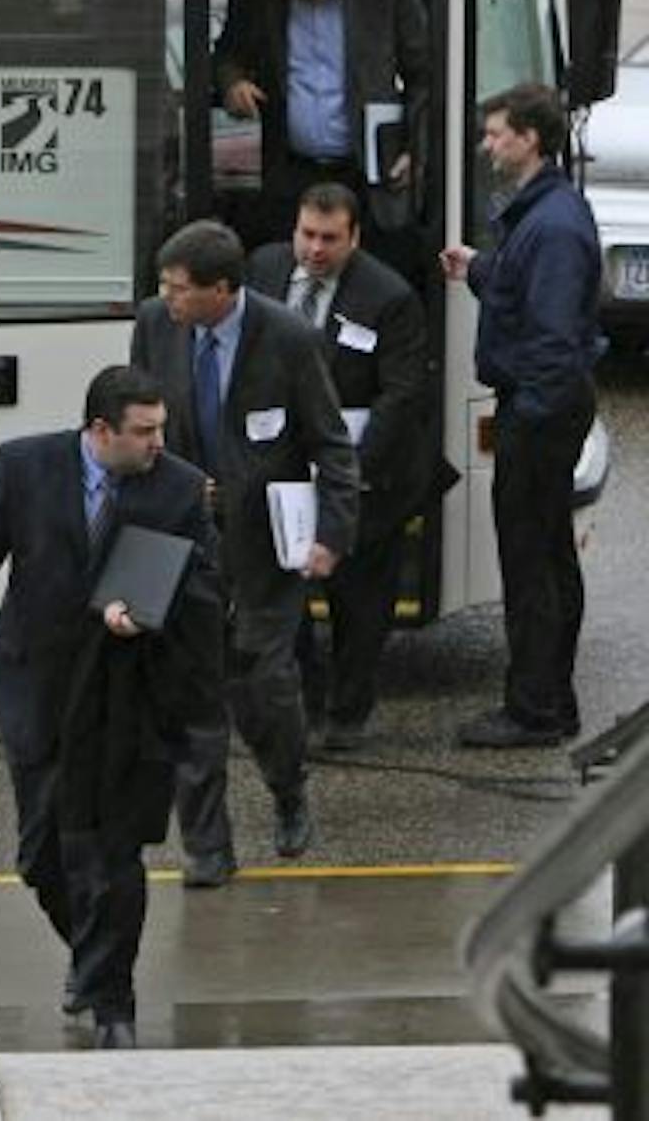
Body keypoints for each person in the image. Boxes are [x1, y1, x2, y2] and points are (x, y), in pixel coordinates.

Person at [0, 365, 223, 1050]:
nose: (158, 443)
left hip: (127, 697)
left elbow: (210, 584)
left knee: (113, 856)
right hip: (39, 687)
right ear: (100, 432)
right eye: (144, 432)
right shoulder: (24, 466)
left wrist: (152, 614)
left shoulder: (181, 488)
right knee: (43, 856)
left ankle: (113, 1004)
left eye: (161, 428)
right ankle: (91, 954)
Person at [130, 219, 358, 886]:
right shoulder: (154, 324)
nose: (167, 299)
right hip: (178, 534)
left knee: (263, 684)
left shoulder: (287, 338)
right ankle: (208, 847)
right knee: (189, 691)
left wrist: (330, 536)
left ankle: (288, 790)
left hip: (263, 542)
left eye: (178, 289)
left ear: (221, 290)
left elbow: (330, 442)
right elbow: (142, 417)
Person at [441, 83, 604, 748]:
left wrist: (530, 417)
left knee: (532, 562)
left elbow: (553, 337)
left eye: (495, 133)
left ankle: (534, 709)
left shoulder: (555, 224)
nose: (487, 145)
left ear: (530, 138)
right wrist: (480, 269)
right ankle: (551, 702)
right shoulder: (545, 212)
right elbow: (523, 288)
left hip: (539, 412)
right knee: (549, 555)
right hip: (544, 406)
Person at [250, 183, 435, 751]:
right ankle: (298, 704)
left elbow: (402, 396)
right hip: (281, 463)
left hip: (362, 474)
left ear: (354, 237)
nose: (315, 250)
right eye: (307, 235)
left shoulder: (390, 297)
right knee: (283, 591)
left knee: (358, 601)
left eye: (329, 238)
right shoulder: (264, 269)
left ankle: (348, 713)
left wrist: (349, 473)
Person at [215, 0, 429, 264]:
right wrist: (233, 83)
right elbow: (227, 56)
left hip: (367, 167)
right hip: (289, 167)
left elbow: (424, 77)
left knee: (371, 270)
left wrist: (416, 147)